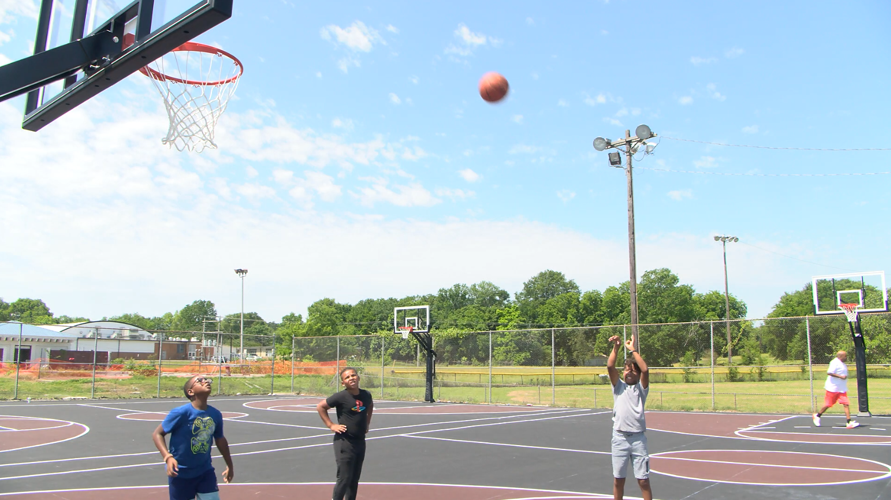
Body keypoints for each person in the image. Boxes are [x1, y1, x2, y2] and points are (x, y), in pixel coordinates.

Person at [152, 375, 234, 500]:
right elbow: (157, 434)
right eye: (199, 381)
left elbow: (220, 439)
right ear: (191, 391)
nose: (205, 381)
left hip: (205, 472)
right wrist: (168, 457)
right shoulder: (181, 413)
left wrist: (229, 465)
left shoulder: (215, 414)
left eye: (207, 379)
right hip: (180, 473)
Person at [317, 367, 374, 500]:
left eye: (353, 375)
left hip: (360, 441)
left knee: (354, 478)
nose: (351, 378)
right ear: (343, 383)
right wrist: (331, 425)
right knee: (344, 478)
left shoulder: (366, 395)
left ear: (358, 378)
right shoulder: (341, 397)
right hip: (344, 442)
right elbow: (321, 407)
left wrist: (367, 422)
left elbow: (370, 405)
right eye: (347, 377)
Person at [606, 335, 652, 500]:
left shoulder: (641, 389)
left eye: (633, 369)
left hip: (638, 439)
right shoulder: (618, 386)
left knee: (643, 481)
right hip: (619, 438)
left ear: (637, 374)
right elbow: (610, 366)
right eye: (626, 369)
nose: (629, 372)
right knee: (618, 480)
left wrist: (633, 349)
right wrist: (616, 348)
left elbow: (645, 369)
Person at [813, 350, 859, 429]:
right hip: (833, 388)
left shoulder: (843, 364)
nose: (846, 357)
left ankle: (849, 422)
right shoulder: (834, 362)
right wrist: (840, 376)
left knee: (846, 404)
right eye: (845, 356)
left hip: (841, 389)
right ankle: (817, 416)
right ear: (840, 356)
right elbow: (829, 372)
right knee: (828, 404)